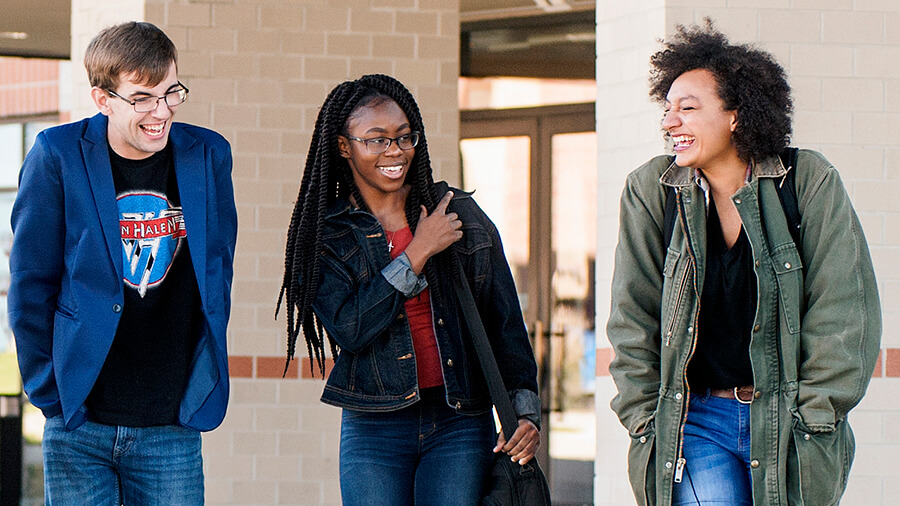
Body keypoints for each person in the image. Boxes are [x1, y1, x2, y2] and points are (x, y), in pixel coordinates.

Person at [606, 21, 881, 506]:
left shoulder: (807, 182)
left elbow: (844, 313)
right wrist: (647, 419)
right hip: (694, 421)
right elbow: (632, 316)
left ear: (736, 115)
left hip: (785, 419)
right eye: (667, 109)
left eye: (687, 108)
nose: (671, 121)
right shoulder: (653, 191)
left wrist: (814, 417)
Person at [277, 74, 541, 505]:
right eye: (376, 140)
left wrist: (525, 412)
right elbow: (351, 328)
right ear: (344, 146)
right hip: (374, 426)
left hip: (458, 421)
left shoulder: (460, 216)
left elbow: (505, 322)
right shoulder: (328, 237)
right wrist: (417, 252)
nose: (394, 151)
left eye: (403, 137)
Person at [9, 21, 237, 504]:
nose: (161, 112)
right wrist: (52, 395)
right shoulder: (58, 155)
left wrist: (198, 382)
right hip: (81, 421)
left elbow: (218, 267)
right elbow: (31, 285)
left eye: (171, 92)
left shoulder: (208, 154)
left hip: (170, 423)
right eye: (142, 98)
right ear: (103, 98)